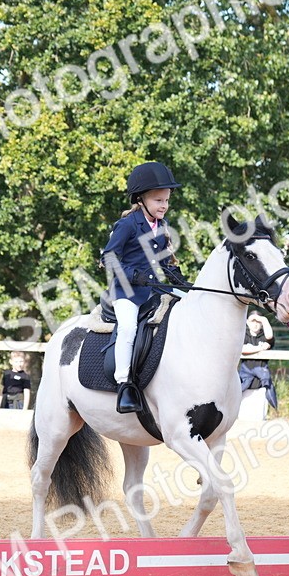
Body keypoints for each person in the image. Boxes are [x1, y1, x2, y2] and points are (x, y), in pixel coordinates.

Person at [100, 161, 181, 414]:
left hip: (153, 290)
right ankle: (124, 384)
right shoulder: (127, 225)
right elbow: (108, 258)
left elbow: (167, 263)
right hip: (127, 292)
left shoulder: (162, 226)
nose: (164, 206)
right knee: (128, 327)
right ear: (141, 199)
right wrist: (133, 275)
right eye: (158, 201)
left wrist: (183, 284)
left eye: (166, 201)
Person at [238, 313, 278, 416]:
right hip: (245, 377)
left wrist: (263, 319)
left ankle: (274, 411)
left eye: (258, 322)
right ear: (247, 322)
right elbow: (242, 349)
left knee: (268, 389)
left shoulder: (264, 336)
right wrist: (260, 348)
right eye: (253, 321)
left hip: (261, 379)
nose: (255, 324)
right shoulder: (243, 335)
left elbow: (269, 336)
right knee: (238, 396)